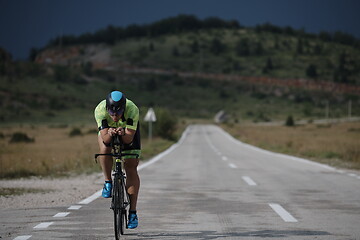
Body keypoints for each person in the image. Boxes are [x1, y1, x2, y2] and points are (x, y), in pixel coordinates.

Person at [94, 90, 141, 229]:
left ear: (124, 109)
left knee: (131, 166)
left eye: (119, 113)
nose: (115, 116)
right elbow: (105, 139)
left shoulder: (132, 109)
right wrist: (109, 132)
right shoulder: (100, 109)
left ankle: (132, 212)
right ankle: (108, 182)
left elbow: (128, 139)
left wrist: (122, 134)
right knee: (104, 149)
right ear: (107, 109)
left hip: (127, 131)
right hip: (107, 132)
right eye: (112, 113)